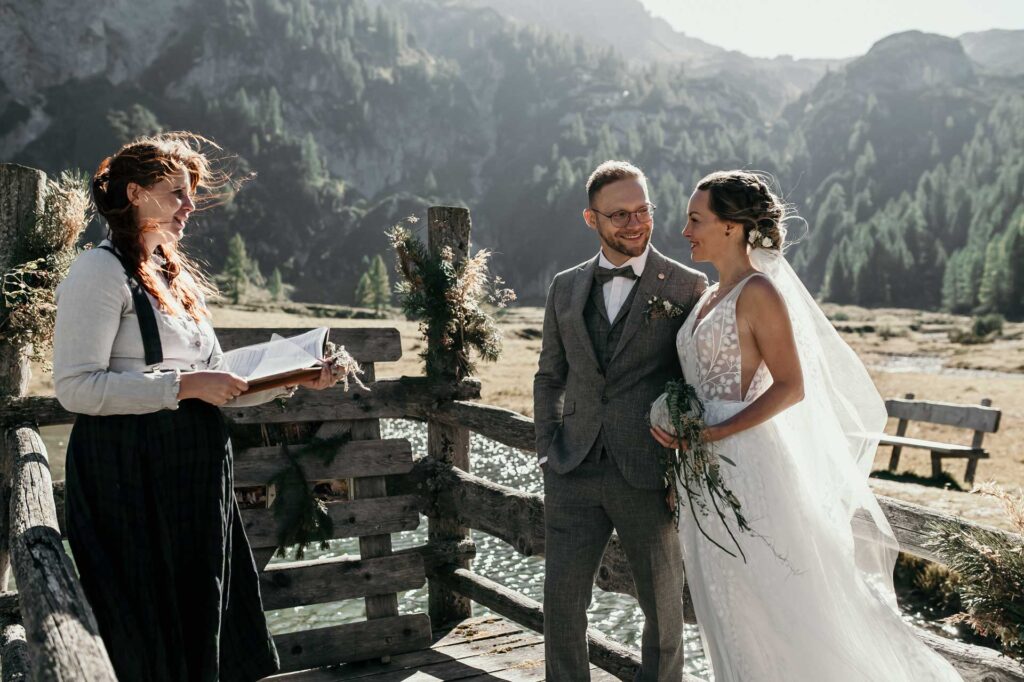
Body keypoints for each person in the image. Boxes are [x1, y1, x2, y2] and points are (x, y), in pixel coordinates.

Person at [650, 170, 963, 681]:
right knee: (726, 608)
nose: (685, 230)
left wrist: (709, 434)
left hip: (750, 469)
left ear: (731, 227)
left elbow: (791, 387)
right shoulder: (709, 294)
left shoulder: (758, 293)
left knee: (775, 608)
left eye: (695, 219)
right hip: (702, 476)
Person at [53, 132, 337, 681]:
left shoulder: (175, 277)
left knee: (204, 611)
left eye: (191, 195)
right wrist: (183, 387)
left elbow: (216, 381)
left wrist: (297, 377)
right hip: (130, 471)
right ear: (135, 193)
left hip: (195, 471)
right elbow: (76, 388)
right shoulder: (99, 270)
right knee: (146, 618)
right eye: (176, 193)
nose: (189, 207)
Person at [534, 160, 707, 681]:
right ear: (592, 219)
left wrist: (685, 464)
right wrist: (547, 448)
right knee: (562, 609)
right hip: (572, 468)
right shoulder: (565, 288)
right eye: (619, 215)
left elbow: (696, 386)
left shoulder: (685, 286)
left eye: (643, 210)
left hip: (649, 474)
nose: (635, 224)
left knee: (663, 612)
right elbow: (549, 376)